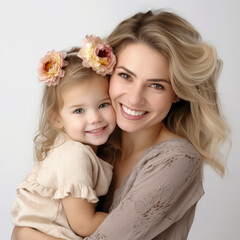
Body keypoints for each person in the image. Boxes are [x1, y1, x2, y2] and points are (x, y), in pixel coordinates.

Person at [11, 9, 231, 240]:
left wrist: (25, 234)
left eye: (156, 85)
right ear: (107, 74)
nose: (135, 99)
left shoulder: (177, 161)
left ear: (177, 93)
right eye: (126, 76)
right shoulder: (97, 142)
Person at [11, 36, 118, 240]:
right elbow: (84, 224)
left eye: (103, 105)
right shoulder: (75, 156)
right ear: (57, 119)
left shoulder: (76, 148)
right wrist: (133, 218)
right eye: (79, 110)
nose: (95, 118)